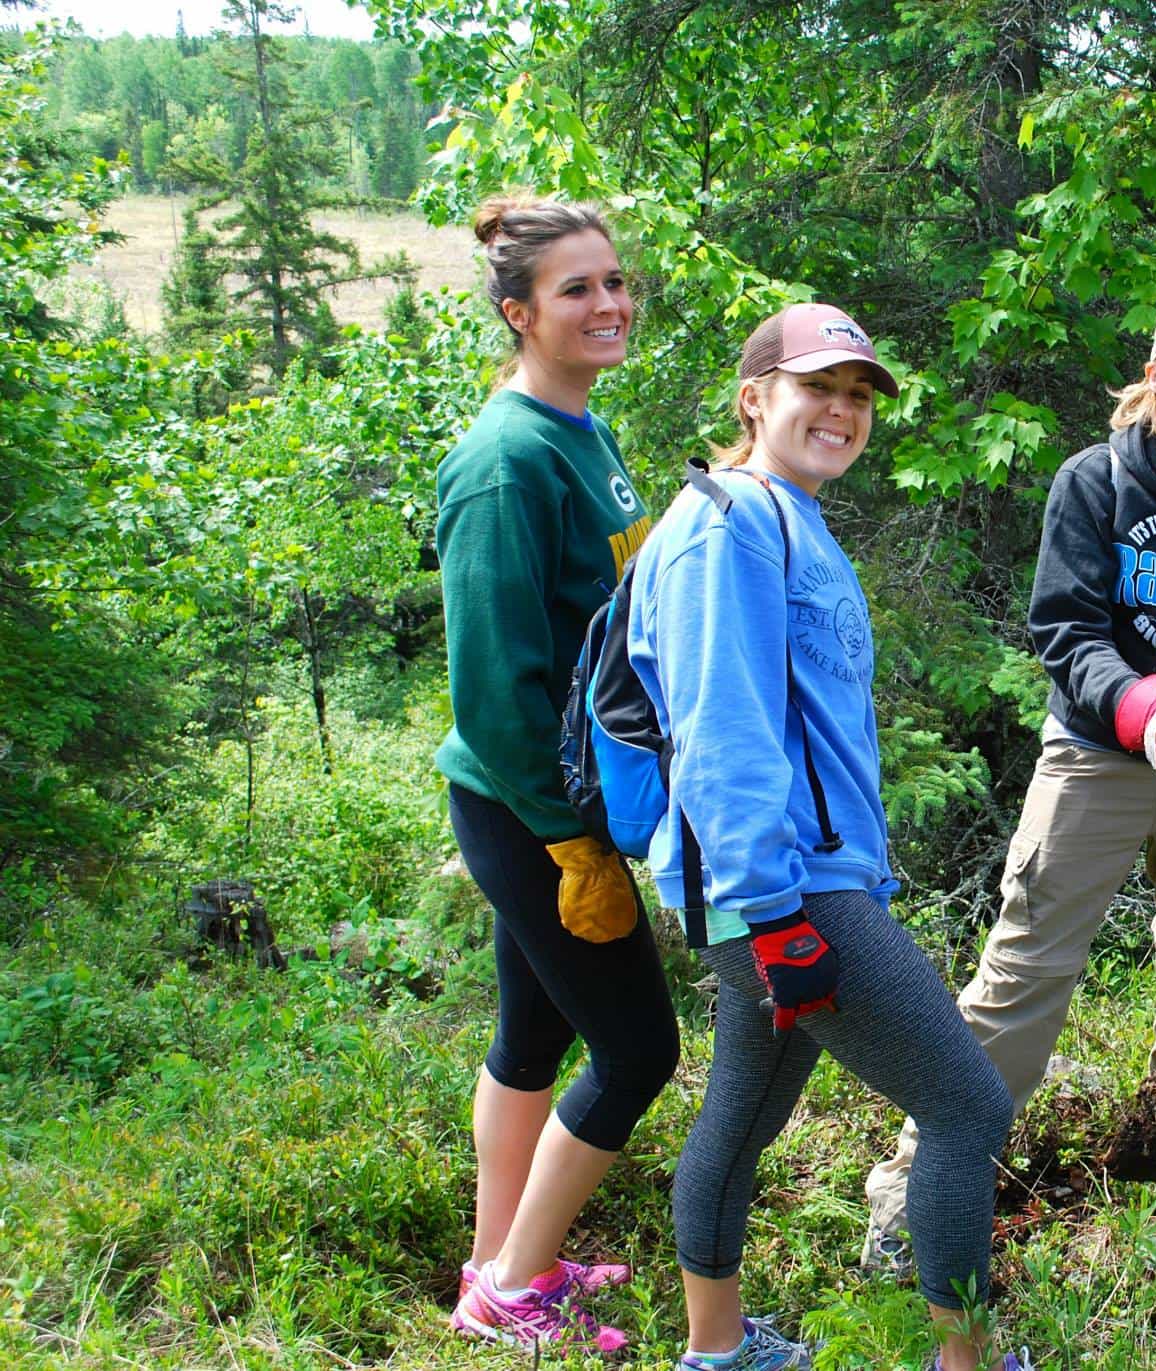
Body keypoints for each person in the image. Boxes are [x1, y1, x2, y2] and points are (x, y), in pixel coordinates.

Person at [864, 293, 1156, 1272]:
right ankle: (925, 1179)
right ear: (1153, 367)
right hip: (1100, 756)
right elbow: (1063, 628)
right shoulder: (1095, 481)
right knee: (1027, 962)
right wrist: (1140, 708)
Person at [628, 303, 1026, 1371]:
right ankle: (969, 1361)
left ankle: (716, 1353)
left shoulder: (786, 516)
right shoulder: (725, 524)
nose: (842, 411)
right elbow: (722, 726)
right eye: (818, 388)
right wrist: (772, 911)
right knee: (964, 1106)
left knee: (742, 1116)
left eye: (858, 395)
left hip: (794, 877)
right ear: (754, 399)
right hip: (788, 886)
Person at [436, 195, 679, 1353]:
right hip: (528, 805)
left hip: (566, 800)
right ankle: (515, 1289)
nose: (608, 304)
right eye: (576, 288)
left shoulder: (582, 432)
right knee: (638, 1049)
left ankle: (498, 1263)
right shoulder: (503, 462)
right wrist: (572, 842)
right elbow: (492, 690)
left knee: (532, 1038)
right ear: (516, 313)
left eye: (614, 281)